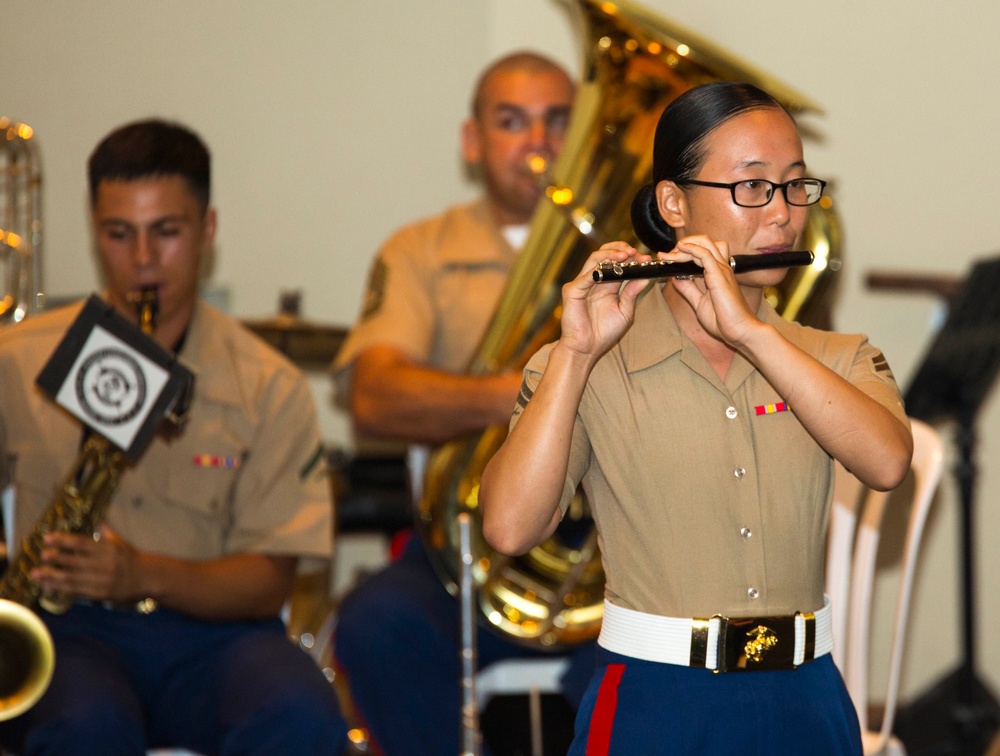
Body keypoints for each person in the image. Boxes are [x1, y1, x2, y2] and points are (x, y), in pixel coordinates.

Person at [479, 81, 914, 755]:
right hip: (656, 701)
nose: (782, 215)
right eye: (752, 187)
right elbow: (510, 526)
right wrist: (574, 353)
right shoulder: (592, 362)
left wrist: (749, 332)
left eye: (796, 187)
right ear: (673, 203)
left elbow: (886, 461)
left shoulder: (838, 357)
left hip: (807, 699)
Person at [0, 119, 348, 756]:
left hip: (216, 641)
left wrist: (141, 573)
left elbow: (271, 581)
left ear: (207, 231)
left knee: (303, 717)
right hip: (70, 634)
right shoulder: (17, 360)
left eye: (166, 232)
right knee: (82, 730)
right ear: (93, 229)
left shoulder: (268, 383)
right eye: (118, 233)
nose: (141, 261)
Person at [331, 51, 593, 755]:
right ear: (472, 142)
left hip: (609, 551)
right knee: (373, 624)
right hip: (465, 555)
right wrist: (527, 393)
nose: (537, 143)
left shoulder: (629, 252)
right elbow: (373, 398)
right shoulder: (421, 251)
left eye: (557, 123)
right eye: (512, 122)